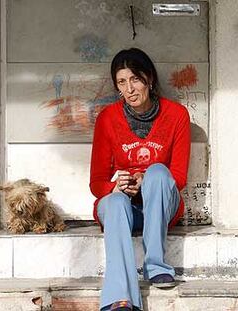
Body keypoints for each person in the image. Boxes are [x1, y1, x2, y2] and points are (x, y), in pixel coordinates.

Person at [89, 48, 191, 311]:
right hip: (124, 209)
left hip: (160, 206)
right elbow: (96, 182)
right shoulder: (107, 119)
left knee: (158, 171)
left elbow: (178, 177)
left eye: (135, 79)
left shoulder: (177, 115)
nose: (129, 89)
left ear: (149, 79)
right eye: (121, 82)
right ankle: (119, 298)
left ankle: (156, 265)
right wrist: (116, 186)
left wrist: (144, 178)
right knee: (113, 202)